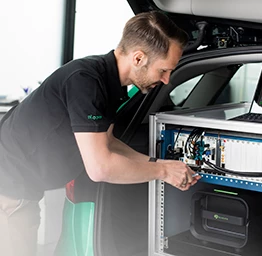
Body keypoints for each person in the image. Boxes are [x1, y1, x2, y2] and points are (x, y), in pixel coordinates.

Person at [0, 10, 201, 256]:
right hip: (8, 191)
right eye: (163, 71)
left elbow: (109, 143)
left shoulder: (109, 85)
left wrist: (160, 163)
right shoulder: (86, 81)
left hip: (20, 188)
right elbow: (100, 168)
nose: (168, 80)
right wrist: (162, 171)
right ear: (138, 58)